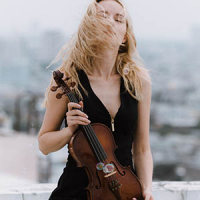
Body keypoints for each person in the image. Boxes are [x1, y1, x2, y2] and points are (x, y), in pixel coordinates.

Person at [38, 0, 154, 200]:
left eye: (119, 19)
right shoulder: (69, 80)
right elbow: (44, 144)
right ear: (89, 27)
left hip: (124, 192)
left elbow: (142, 148)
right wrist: (69, 131)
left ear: (125, 36)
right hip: (75, 193)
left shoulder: (139, 82)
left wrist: (146, 189)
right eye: (102, 16)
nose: (111, 22)